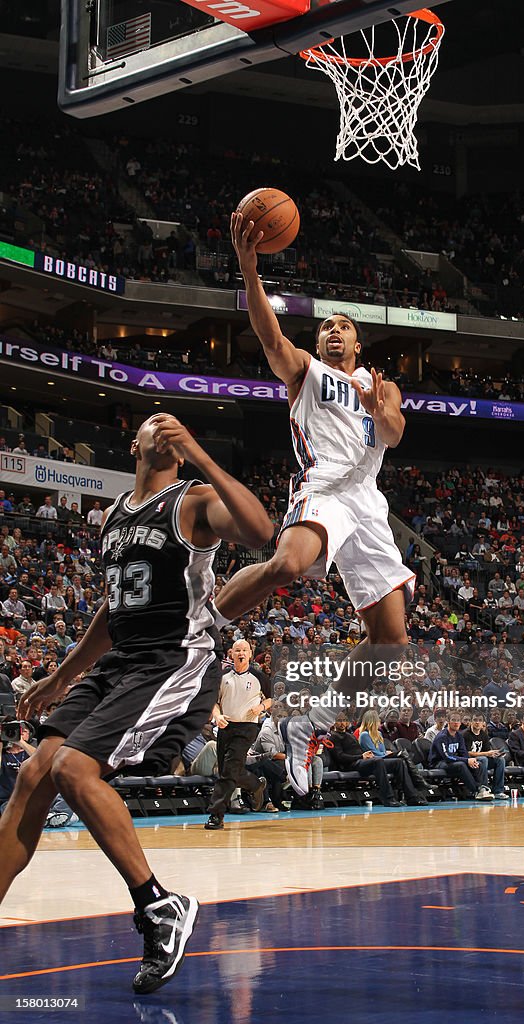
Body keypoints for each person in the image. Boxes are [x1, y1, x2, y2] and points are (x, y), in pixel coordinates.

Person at [0, 413, 272, 994]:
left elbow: (259, 531)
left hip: (174, 660)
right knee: (33, 775)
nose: (165, 423)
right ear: (135, 443)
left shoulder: (193, 499)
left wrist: (199, 453)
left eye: (174, 422)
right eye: (154, 420)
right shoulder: (117, 514)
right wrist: (60, 677)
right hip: (121, 660)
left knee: (74, 767)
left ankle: (158, 906)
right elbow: (111, 612)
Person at [217, 211, 415, 796]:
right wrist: (250, 272)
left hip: (368, 502)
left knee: (391, 644)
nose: (332, 331)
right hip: (323, 487)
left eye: (343, 326)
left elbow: (397, 432)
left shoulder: (380, 385)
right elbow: (268, 336)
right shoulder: (305, 371)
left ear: (359, 342)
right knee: (289, 564)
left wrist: (382, 415)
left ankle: (312, 725)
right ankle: (205, 621)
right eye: (326, 325)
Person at [204, 639, 271, 830]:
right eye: (237, 650)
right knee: (229, 771)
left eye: (244, 650)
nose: (241, 653)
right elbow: (214, 702)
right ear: (231, 654)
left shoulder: (259, 676)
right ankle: (256, 785)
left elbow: (272, 699)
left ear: (250, 653)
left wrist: (261, 706)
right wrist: (217, 715)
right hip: (226, 727)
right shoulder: (223, 676)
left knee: (228, 771)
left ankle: (216, 814)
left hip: (247, 727)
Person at [428, 711, 494, 800]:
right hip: (439, 762)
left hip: (453, 761)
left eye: (458, 720)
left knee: (478, 763)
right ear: (448, 721)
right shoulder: (442, 737)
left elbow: (463, 752)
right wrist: (466, 760)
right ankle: (477, 790)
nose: (456, 722)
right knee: (461, 765)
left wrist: (470, 761)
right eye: (453, 720)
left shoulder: (459, 735)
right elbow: (447, 757)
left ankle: (484, 789)